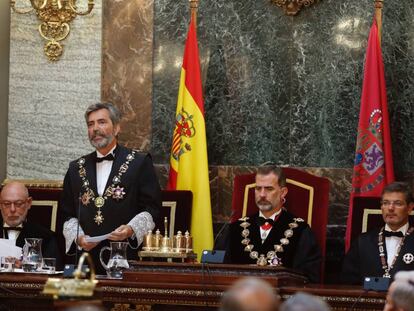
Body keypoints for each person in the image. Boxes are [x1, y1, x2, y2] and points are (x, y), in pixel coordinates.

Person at [60, 102, 161, 274]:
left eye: (102, 122)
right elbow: (66, 214)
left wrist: (130, 230)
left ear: (117, 128)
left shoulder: (139, 162)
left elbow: (152, 208)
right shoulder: (76, 168)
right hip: (85, 262)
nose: (95, 129)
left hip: (126, 257)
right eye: (90, 124)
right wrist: (78, 238)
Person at [226, 165, 321, 283]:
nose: (262, 194)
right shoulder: (235, 229)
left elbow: (308, 279)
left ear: (283, 192)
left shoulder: (301, 231)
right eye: (258, 188)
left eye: (269, 189)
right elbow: (219, 275)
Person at [342, 182, 414, 285]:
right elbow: (347, 281)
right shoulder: (363, 241)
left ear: (410, 208)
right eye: (385, 203)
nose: (390, 208)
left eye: (397, 203)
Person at [0, 181, 61, 266]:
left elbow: (54, 270)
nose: (12, 209)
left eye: (18, 204)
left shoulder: (46, 237)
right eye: (7, 204)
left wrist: (27, 267)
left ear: (28, 203)